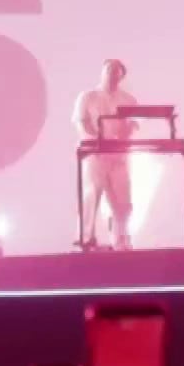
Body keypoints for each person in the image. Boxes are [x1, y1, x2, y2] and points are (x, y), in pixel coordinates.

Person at [74, 59, 137, 250]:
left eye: (116, 71)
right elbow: (81, 122)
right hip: (96, 155)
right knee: (92, 196)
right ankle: (86, 238)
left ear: (121, 76)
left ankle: (121, 240)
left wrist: (125, 135)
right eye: (109, 69)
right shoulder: (88, 96)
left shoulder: (128, 99)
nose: (112, 74)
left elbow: (133, 123)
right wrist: (96, 139)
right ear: (102, 72)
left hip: (118, 156)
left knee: (123, 201)